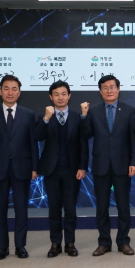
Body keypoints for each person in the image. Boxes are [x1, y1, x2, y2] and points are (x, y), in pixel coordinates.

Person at [81, 75, 135, 256]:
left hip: (122, 165)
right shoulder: (93, 111)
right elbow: (85, 134)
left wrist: (133, 162)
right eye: (105, 88)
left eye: (112, 87)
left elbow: (134, 139)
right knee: (101, 207)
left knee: (123, 206)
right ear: (100, 91)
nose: (109, 91)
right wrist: (84, 116)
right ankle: (104, 242)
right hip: (101, 164)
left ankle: (123, 241)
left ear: (118, 89)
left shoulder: (129, 110)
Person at [0, 75, 38, 260]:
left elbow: (33, 143)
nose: (10, 92)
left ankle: (20, 246)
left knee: (21, 210)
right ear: (0, 91)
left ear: (19, 93)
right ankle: (2, 247)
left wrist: (35, 168)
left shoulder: (28, 115)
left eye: (14, 89)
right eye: (6, 88)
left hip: (22, 168)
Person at [35, 80, 88, 258]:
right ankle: (55, 243)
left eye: (63, 94)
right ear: (51, 97)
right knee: (54, 208)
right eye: (56, 94)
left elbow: (83, 144)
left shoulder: (77, 117)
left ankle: (70, 243)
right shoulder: (45, 117)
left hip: (72, 170)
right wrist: (46, 118)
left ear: (69, 96)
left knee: (70, 209)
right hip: (51, 170)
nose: (60, 97)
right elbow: (37, 136)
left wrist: (83, 167)